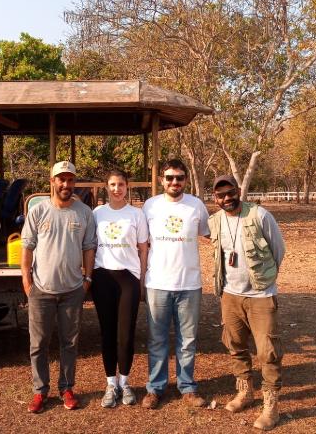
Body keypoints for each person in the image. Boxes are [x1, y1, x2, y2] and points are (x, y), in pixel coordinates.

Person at [208, 175, 286, 431]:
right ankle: (245, 391)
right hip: (229, 294)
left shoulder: (259, 215)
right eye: (221, 195)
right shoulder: (216, 220)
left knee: (267, 352)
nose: (227, 198)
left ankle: (271, 406)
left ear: (238, 191)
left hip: (260, 295)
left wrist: (266, 279)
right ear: (215, 198)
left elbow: (278, 250)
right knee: (235, 344)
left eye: (230, 193)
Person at [20, 160, 97, 414]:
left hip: (72, 290)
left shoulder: (84, 212)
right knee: (38, 344)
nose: (66, 184)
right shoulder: (38, 211)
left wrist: (87, 280)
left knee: (69, 343)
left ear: (74, 182)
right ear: (52, 181)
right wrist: (27, 281)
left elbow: (88, 248)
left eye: (70, 179)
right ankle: (40, 392)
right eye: (61, 179)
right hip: (41, 290)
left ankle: (66, 388)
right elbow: (27, 248)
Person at [141, 159, 210, 409]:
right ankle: (155, 388)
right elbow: (141, 244)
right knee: (157, 339)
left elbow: (210, 234)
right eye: (169, 177)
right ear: (162, 179)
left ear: (185, 180)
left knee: (187, 340)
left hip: (189, 285)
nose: (174, 182)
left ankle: (187, 387)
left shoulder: (196, 206)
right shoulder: (150, 206)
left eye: (179, 178)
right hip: (157, 283)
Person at [92, 169, 149, 408]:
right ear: (107, 187)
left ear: (128, 187)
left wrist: (142, 279)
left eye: (121, 185)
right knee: (108, 333)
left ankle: (124, 382)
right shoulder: (97, 213)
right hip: (102, 277)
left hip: (128, 279)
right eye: (113, 185)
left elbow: (143, 248)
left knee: (125, 334)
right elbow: (90, 246)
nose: (117, 189)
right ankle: (110, 384)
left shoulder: (136, 214)